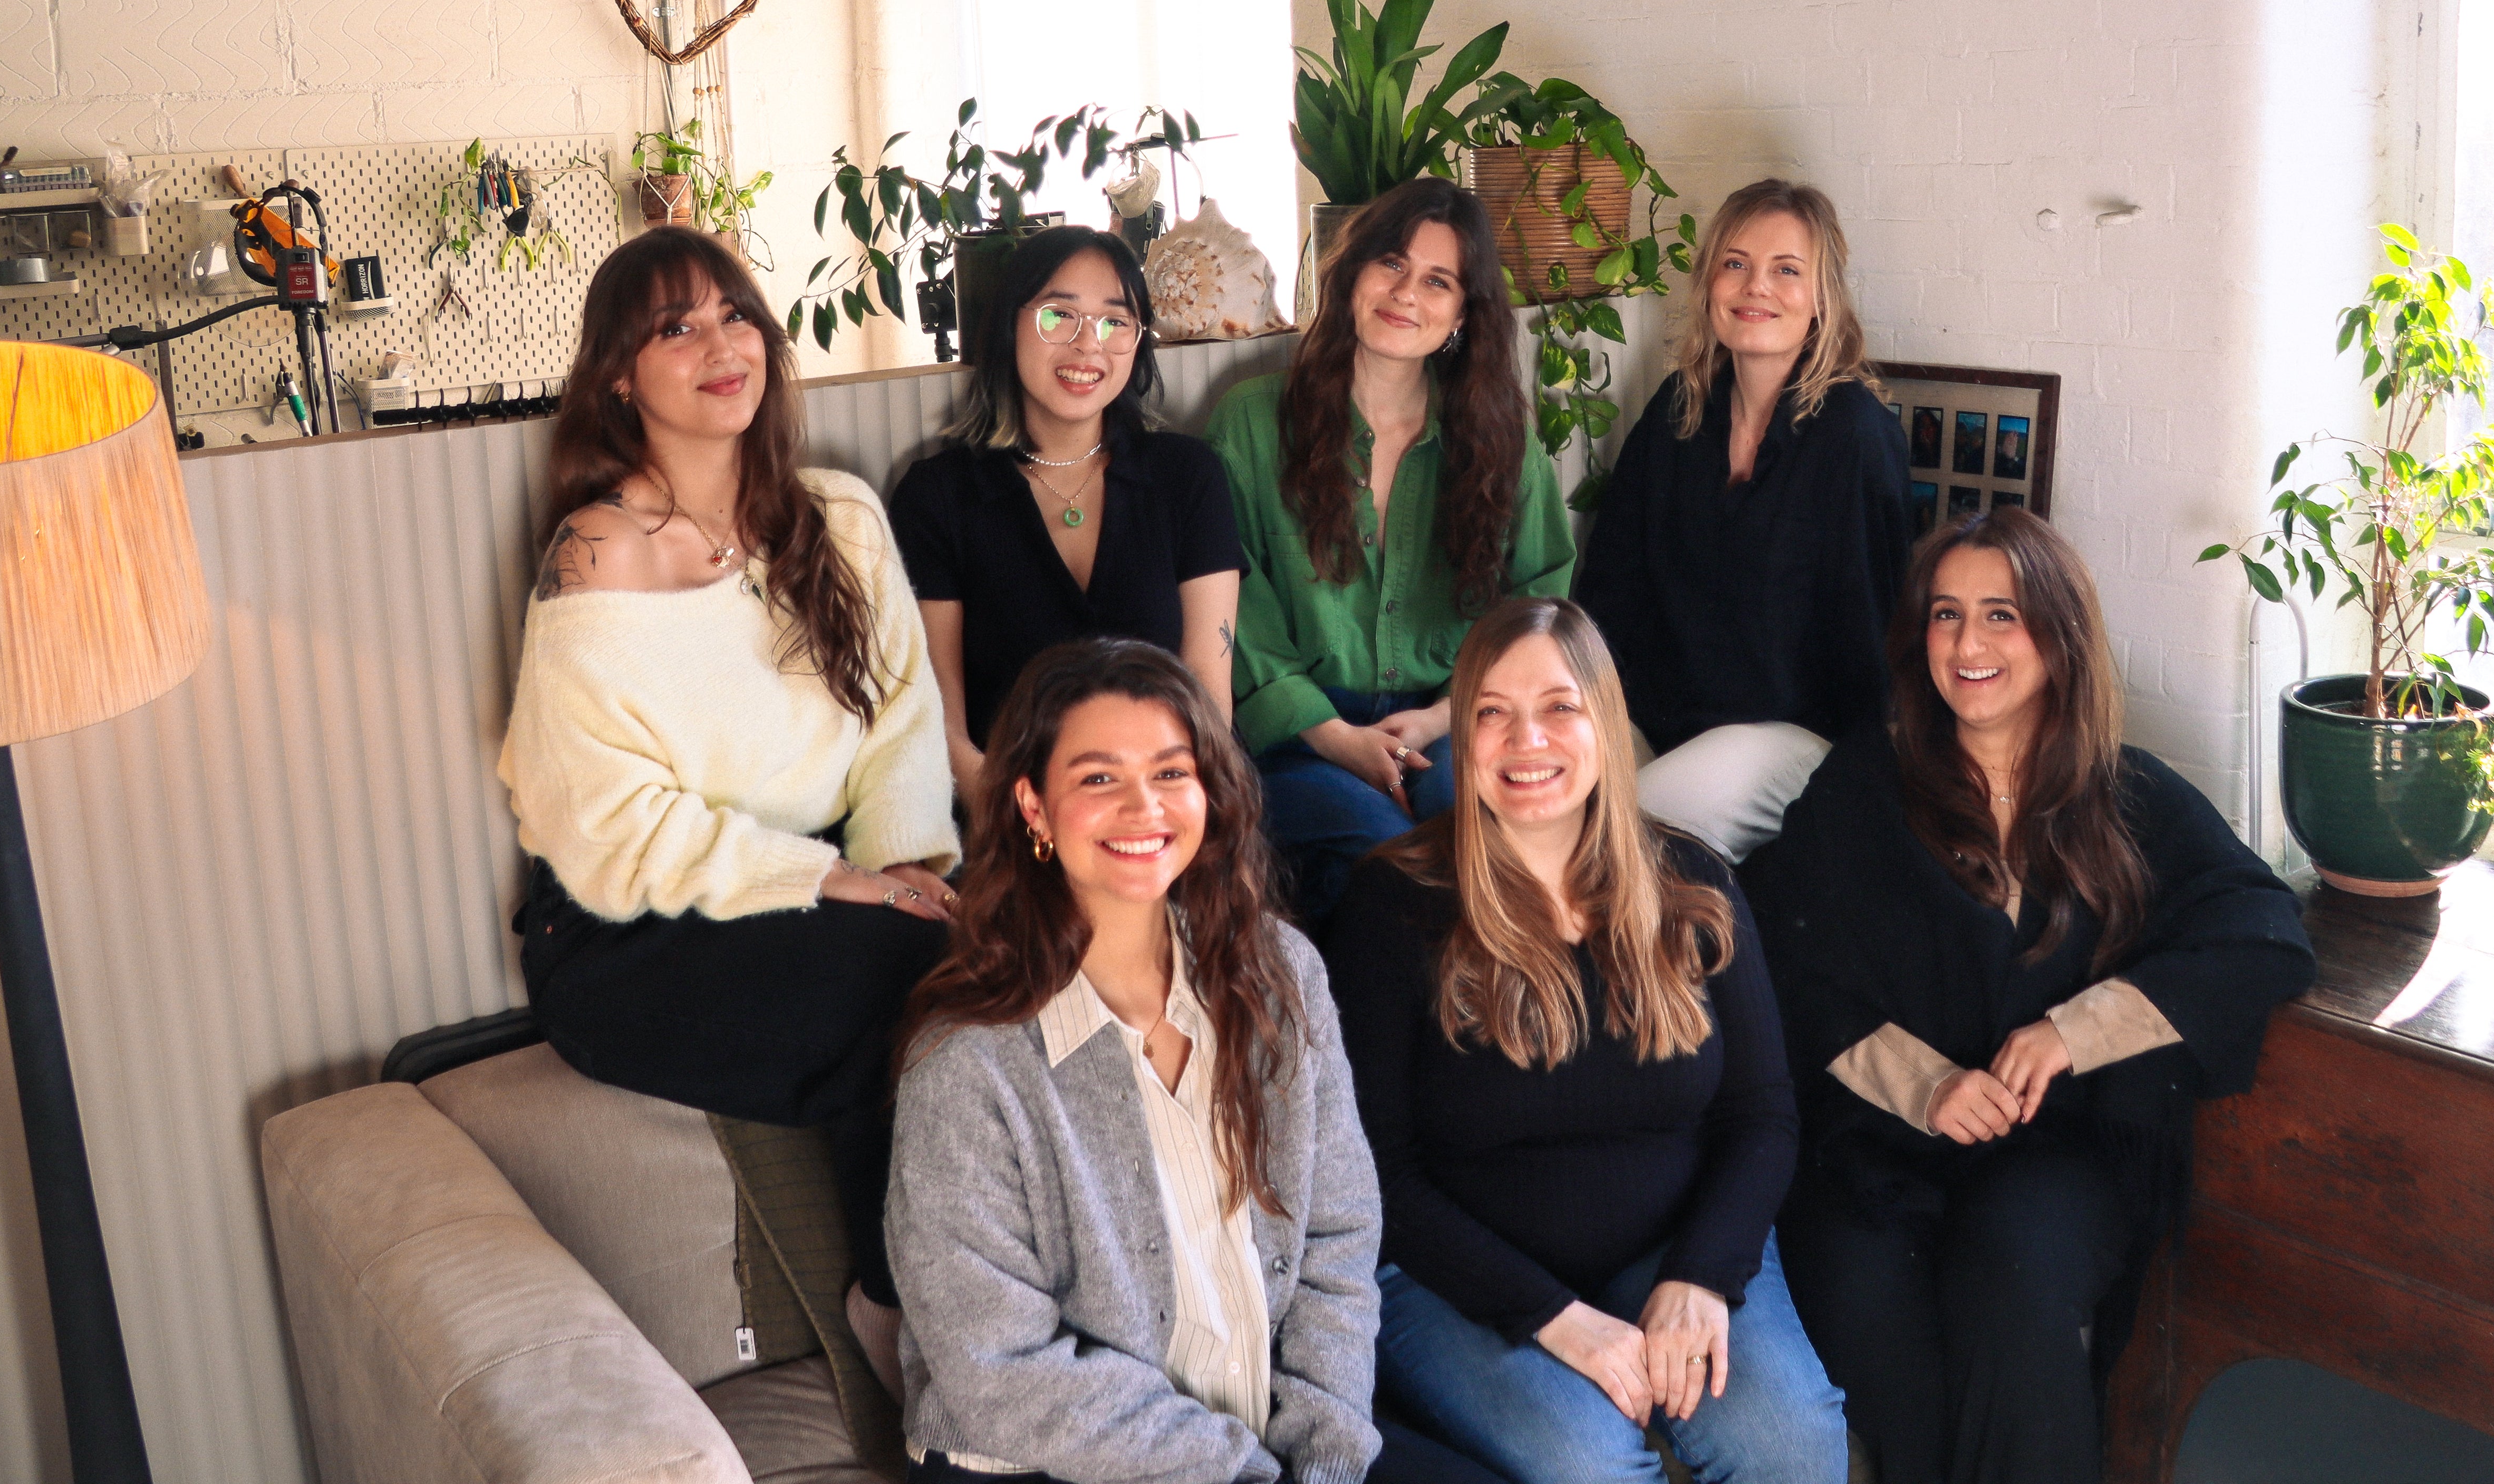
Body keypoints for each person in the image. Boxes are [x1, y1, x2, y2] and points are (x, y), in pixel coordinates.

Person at [1739, 509, 2315, 1484]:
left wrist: (2071, 1032)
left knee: (2018, 1298)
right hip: (1874, 1155)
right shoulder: (1863, 788)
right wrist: (1923, 1084)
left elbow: (2261, 932)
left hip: (2056, 1155)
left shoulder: (2124, 797)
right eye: (1947, 615)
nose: (1968, 645)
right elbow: (1778, 956)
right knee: (1904, 1390)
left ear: (2058, 633)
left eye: (2002, 616)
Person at [498, 226, 955, 1365]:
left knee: (1002, 952)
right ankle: (893, 1309)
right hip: (623, 930)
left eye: (735, 313)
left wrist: (901, 869)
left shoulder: (839, 516)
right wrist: (834, 880)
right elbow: (605, 828)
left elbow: (904, 719)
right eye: (676, 327)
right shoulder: (596, 556)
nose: (720, 344)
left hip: (815, 887)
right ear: (618, 375)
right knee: (911, 977)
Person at [886, 638, 1500, 1484]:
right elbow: (1000, 1368)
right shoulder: (967, 1059)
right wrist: (1244, 1473)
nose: (1145, 807)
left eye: (1172, 773)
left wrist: (1324, 1453)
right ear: (1032, 805)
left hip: (1266, 1434)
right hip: (1042, 1460)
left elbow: (1339, 1236)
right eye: (1098, 778)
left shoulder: (1279, 976)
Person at [1324, 598, 1850, 1484]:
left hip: (1671, 1244)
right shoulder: (1394, 905)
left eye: (1559, 708)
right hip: (1458, 1279)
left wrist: (1701, 1277)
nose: (1528, 741)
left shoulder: (1692, 882)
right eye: (1493, 714)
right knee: (1590, 1470)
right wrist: (1556, 1317)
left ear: (1604, 722)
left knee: (1792, 1450)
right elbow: (1376, 1171)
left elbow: (1762, 1115)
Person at [1207, 179, 1575, 923]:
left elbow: (1539, 597)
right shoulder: (1250, 421)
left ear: (1465, 314)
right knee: (1388, 854)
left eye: (1439, 282)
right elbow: (1236, 606)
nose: (1408, 294)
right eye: (1392, 265)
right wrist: (1336, 737)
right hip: (1298, 736)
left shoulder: (1501, 434)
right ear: (1352, 274)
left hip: (1452, 720)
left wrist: (1443, 719)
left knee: (1477, 830)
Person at [1574, 179, 1909, 862]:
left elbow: (1876, 632)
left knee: (1626, 837)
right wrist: (1583, 715)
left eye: (1787, 270)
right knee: (1543, 806)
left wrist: (1875, 809)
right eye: (1735, 264)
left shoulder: (1853, 433)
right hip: (1656, 717)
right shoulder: (1679, 408)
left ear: (1822, 299)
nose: (1756, 286)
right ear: (1708, 285)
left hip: (1794, 738)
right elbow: (1609, 588)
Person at [889, 225, 1244, 797]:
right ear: (1010, 325)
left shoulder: (1187, 476)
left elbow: (1207, 697)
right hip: (1009, 808)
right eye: (1058, 317)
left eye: (1115, 322)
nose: (1088, 346)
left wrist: (1164, 809)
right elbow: (944, 728)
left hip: (1167, 801)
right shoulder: (938, 497)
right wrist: (1026, 826)